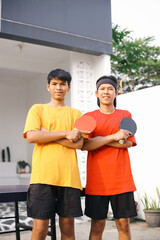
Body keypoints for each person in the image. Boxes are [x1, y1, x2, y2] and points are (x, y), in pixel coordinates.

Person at [23, 69, 85, 240]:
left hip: (69, 179)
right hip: (42, 178)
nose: (59, 87)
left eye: (63, 84)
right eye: (55, 84)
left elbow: (79, 144)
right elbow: (32, 136)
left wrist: (47, 133)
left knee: (68, 228)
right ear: (48, 87)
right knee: (40, 228)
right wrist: (66, 134)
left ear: (69, 87)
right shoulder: (38, 109)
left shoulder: (76, 114)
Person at [82, 75, 137, 240]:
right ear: (96, 93)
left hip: (122, 180)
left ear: (116, 93)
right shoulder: (89, 117)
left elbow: (128, 143)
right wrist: (113, 137)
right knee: (97, 225)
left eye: (110, 89)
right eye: (102, 89)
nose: (106, 92)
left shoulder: (125, 114)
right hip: (97, 181)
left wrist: (97, 141)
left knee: (123, 224)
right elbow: (84, 145)